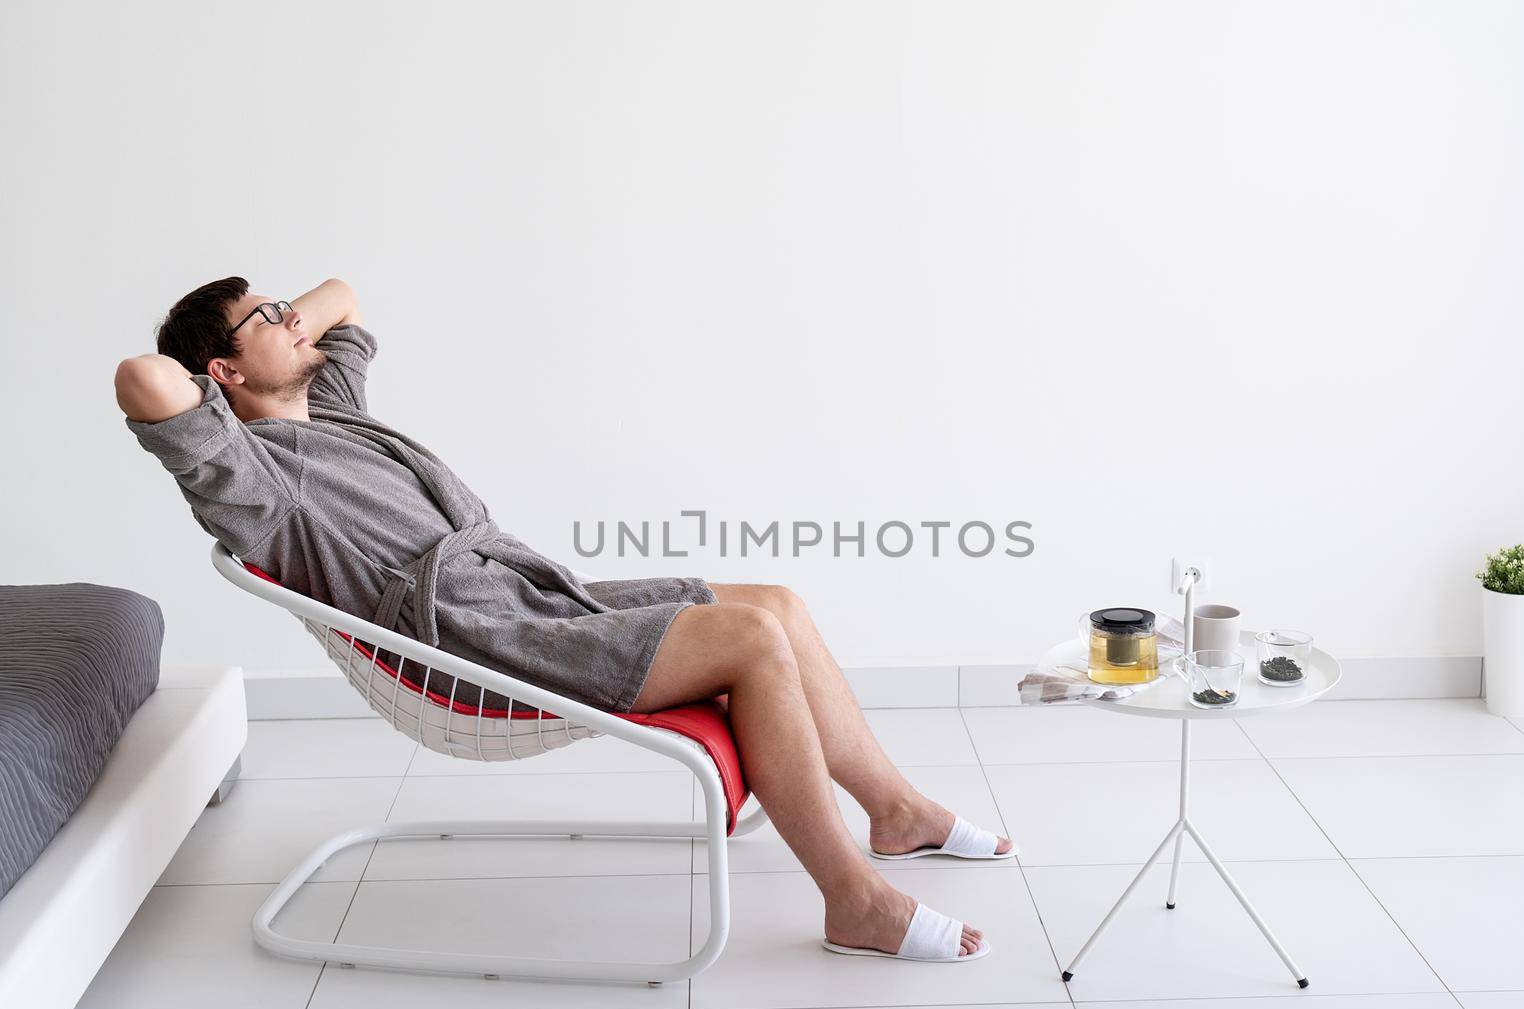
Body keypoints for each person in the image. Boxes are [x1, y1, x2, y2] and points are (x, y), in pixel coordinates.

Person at [116, 276, 1016, 963]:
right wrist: (220, 372)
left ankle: (896, 810)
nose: (293, 319)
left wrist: (271, 325)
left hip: (531, 595)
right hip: (474, 643)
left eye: (285, 308)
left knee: (774, 602)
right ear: (223, 373)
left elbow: (344, 295)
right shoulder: (252, 476)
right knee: (750, 640)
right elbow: (143, 379)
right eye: (267, 318)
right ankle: (853, 899)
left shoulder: (337, 413)